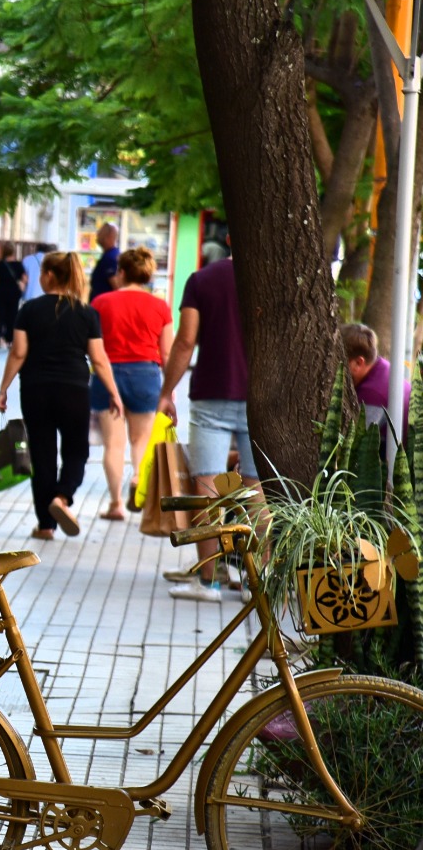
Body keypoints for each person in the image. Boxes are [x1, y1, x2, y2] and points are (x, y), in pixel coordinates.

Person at [0, 252, 123, 540]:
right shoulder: (86, 312)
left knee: (42, 456)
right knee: (77, 451)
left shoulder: (28, 309)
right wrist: (114, 394)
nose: (40, 278)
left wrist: (3, 388)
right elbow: (99, 359)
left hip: (35, 390)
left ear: (50, 276)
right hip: (74, 391)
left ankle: (45, 526)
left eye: (42, 273)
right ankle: (62, 498)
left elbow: (18, 353)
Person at [157, 253, 255, 602]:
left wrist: (167, 392)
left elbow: (185, 341)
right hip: (261, 396)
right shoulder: (270, 279)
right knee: (257, 489)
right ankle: (254, 584)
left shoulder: (201, 280)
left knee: (208, 486)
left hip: (211, 394)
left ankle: (209, 581)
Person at [90, 247, 174, 519]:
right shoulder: (160, 306)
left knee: (114, 445)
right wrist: (169, 391)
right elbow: (168, 352)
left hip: (107, 375)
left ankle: (115, 504)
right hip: (145, 375)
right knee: (140, 441)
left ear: (122, 272)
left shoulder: (101, 303)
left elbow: (92, 346)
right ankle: (137, 479)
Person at [341, 322, 411, 426]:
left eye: (342, 363)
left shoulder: (372, 394)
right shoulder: (382, 365)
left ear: (359, 362)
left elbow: (358, 439)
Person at [0, 243, 26, 349]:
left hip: (1, 294)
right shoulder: (19, 264)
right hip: (14, 294)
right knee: (12, 315)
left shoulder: (0, 264)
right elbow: (25, 279)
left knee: (0, 316)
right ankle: (10, 339)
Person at [89, 222, 120, 300]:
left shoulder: (110, 258)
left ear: (109, 236)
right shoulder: (110, 255)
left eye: (101, 233)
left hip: (104, 305)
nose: (98, 236)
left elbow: (116, 286)